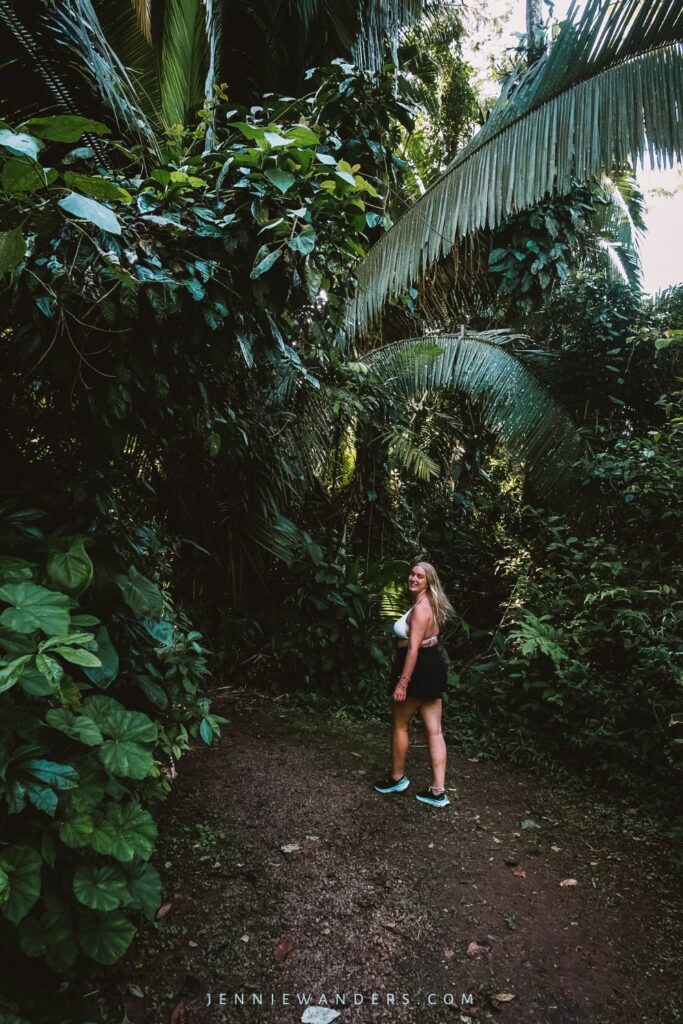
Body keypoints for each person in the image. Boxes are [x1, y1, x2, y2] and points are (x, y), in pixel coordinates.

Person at [374, 561, 454, 808]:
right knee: (435, 730)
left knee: (399, 725)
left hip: (417, 667)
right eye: (412, 574)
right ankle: (438, 792)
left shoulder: (421, 608)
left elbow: (413, 649)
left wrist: (403, 683)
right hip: (432, 664)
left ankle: (397, 778)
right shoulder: (432, 604)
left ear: (429, 581)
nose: (413, 578)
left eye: (420, 576)